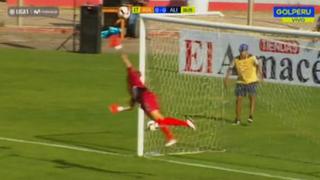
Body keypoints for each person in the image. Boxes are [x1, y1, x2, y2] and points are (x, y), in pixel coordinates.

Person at [111, 54, 196, 147]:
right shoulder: (133, 94)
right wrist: (120, 109)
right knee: (161, 120)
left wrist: (122, 55)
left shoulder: (133, 78)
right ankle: (173, 135)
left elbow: (129, 65)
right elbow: (131, 107)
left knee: (159, 120)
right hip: (145, 100)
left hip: (146, 97)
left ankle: (158, 127)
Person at [224, 44, 263, 125]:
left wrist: (260, 75)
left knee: (252, 97)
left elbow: (258, 65)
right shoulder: (236, 59)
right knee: (239, 99)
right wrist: (226, 78)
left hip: (252, 81)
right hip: (241, 82)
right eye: (241, 51)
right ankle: (237, 119)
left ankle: (251, 115)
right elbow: (230, 68)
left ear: (247, 51)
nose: (242, 53)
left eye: (244, 51)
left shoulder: (252, 57)